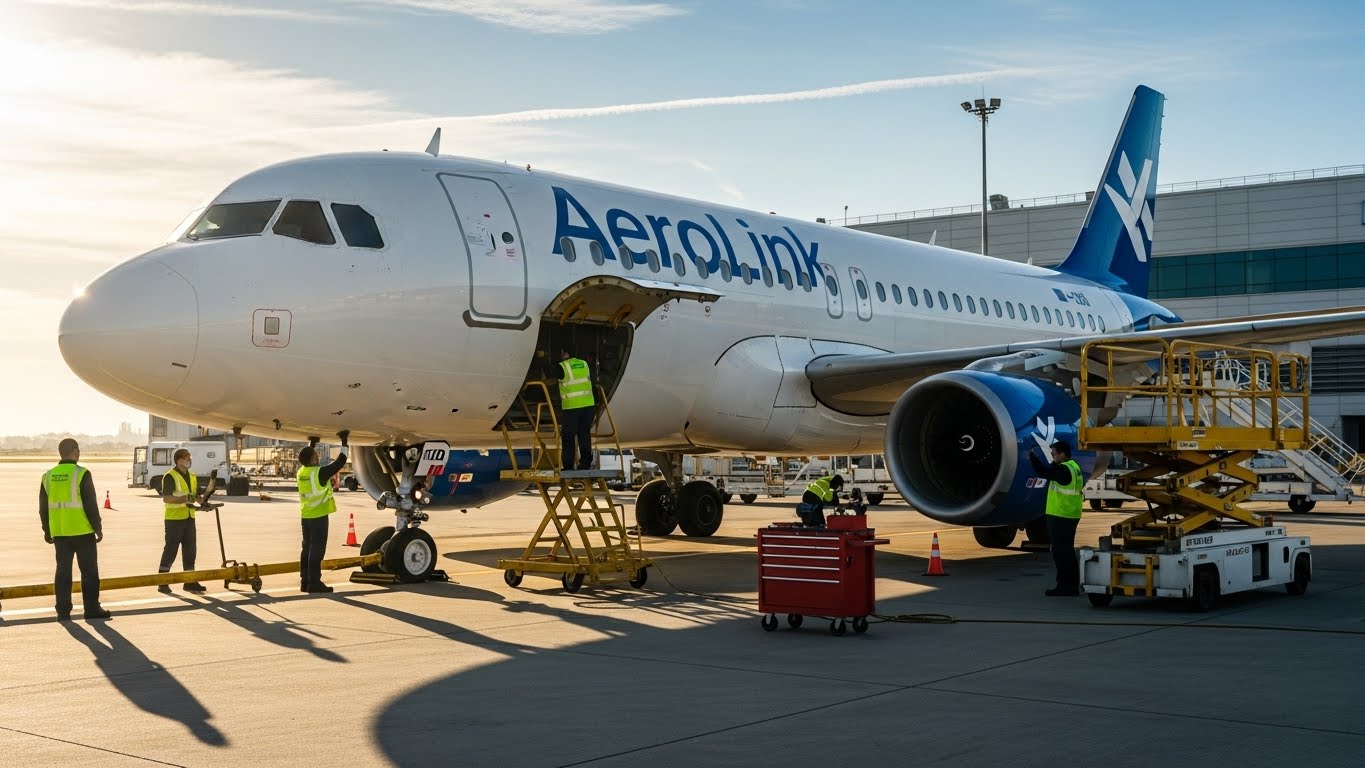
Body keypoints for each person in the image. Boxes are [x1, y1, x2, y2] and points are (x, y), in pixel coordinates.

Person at [38, 438, 110, 620]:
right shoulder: (82, 473)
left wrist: (47, 529)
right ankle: (92, 609)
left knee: (62, 572)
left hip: (60, 532)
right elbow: (90, 504)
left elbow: (43, 507)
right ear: (76, 452)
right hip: (82, 531)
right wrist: (98, 527)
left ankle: (63, 611)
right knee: (89, 572)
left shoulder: (48, 476)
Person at [1029, 439, 1084, 596]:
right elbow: (1051, 469)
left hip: (1061, 516)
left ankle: (1064, 587)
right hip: (1070, 514)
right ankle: (1072, 585)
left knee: (1061, 553)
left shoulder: (1063, 471)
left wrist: (1032, 457)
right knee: (1068, 552)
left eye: (1054, 454)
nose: (1052, 457)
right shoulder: (1073, 467)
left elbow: (1043, 473)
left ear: (1063, 454)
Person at [297, 442, 347, 593]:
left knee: (306, 548)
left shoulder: (302, 472)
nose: (318, 458)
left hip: (306, 515)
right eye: (316, 455)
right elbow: (340, 461)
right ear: (312, 459)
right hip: (319, 516)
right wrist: (344, 442)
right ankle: (314, 582)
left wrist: (311, 444)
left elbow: (307, 457)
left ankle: (305, 581)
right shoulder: (319, 473)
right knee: (317, 550)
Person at [158, 448, 207, 593]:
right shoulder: (170, 476)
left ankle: (189, 582)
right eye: (186, 458)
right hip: (174, 520)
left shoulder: (192, 476)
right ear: (179, 460)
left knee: (190, 551)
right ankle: (162, 582)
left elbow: (196, 495)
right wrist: (187, 498)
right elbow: (167, 498)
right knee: (171, 550)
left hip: (189, 518)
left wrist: (203, 500)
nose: (189, 460)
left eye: (189, 458)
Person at [555, 348, 596, 471]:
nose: (561, 355)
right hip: (588, 405)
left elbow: (552, 375)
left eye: (562, 352)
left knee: (568, 436)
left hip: (572, 407)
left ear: (566, 353)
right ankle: (585, 464)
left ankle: (568, 466)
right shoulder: (584, 363)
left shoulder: (562, 366)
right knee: (584, 435)